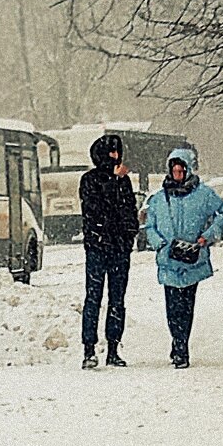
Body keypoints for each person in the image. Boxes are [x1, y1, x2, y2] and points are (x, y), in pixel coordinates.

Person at [144, 147, 223, 369]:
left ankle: (181, 346)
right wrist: (159, 244)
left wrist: (207, 236)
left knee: (186, 306)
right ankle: (178, 342)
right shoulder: (158, 199)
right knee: (172, 307)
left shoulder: (204, 194)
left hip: (192, 259)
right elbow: (150, 225)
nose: (177, 174)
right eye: (174, 171)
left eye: (181, 170)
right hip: (169, 259)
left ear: (188, 170)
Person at [79, 134, 139, 369]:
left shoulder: (123, 182)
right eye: (111, 153)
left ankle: (114, 346)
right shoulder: (90, 180)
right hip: (97, 247)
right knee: (93, 298)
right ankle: (89, 348)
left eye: (117, 153)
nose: (116, 158)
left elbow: (128, 209)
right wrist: (113, 181)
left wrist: (129, 235)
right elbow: (95, 208)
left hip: (119, 248)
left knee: (117, 299)